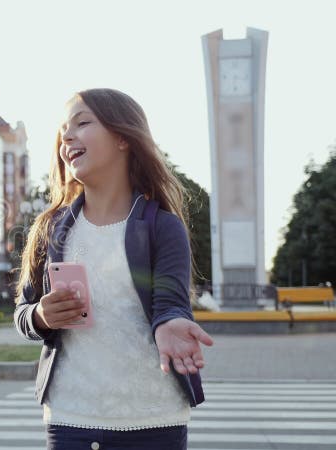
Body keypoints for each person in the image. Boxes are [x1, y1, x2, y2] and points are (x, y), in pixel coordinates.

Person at [13, 88, 214, 450]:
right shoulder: (50, 229)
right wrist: (41, 315)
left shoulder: (163, 226)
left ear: (123, 137)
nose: (67, 137)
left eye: (83, 123)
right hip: (71, 416)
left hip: (154, 417)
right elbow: (23, 313)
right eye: (63, 130)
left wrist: (170, 325)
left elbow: (171, 302)